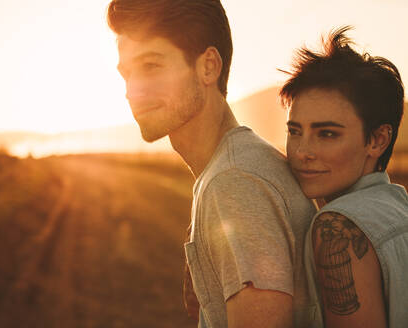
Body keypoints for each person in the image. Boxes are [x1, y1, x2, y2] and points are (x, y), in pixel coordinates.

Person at [107, 1, 317, 327]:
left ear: (208, 67)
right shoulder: (236, 165)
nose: (132, 91)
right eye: (127, 74)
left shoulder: (234, 182)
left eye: (151, 66)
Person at [280, 26, 408, 328]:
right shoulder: (400, 207)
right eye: (294, 131)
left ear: (377, 140)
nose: (302, 152)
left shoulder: (337, 226)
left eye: (327, 134)